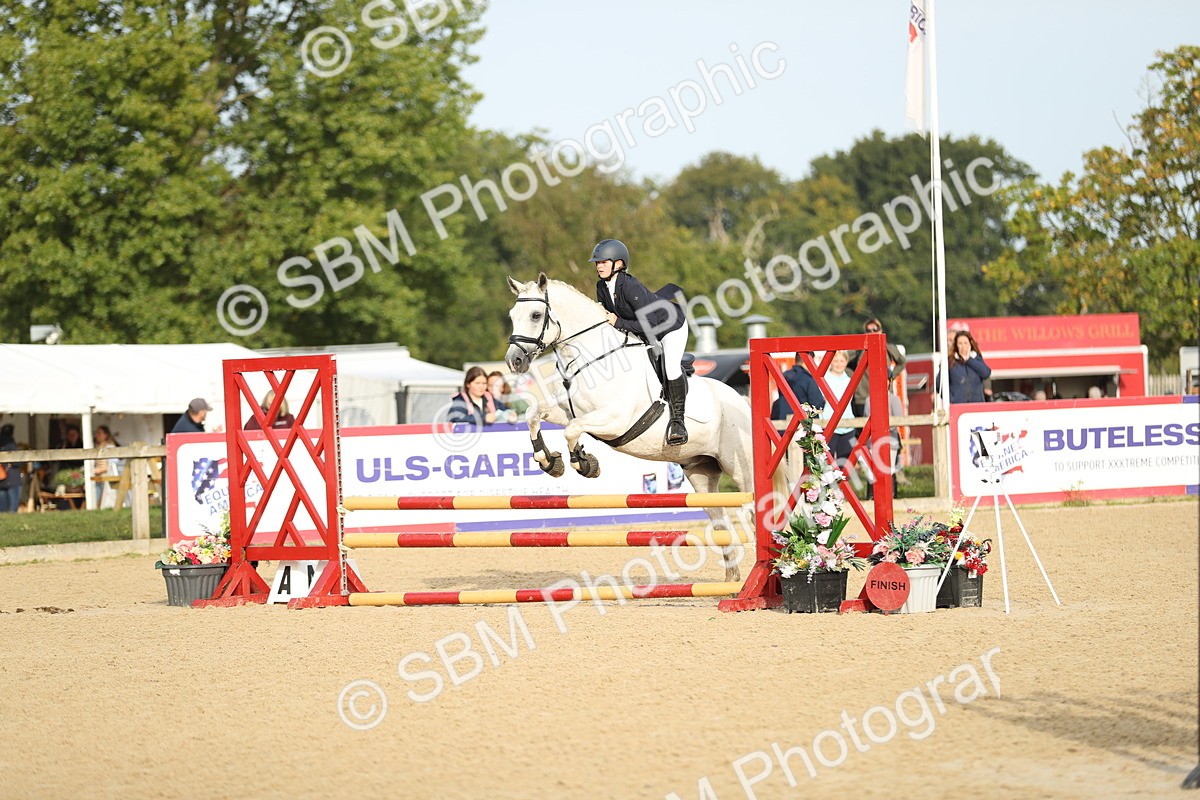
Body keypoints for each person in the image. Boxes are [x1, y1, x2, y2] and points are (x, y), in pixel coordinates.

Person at [590, 238, 690, 446]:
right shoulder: (601, 287)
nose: (599, 266)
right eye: (597, 263)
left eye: (603, 262)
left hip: (669, 326)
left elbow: (649, 323)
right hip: (644, 330)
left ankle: (678, 422)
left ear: (618, 264)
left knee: (671, 367)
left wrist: (618, 322)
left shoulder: (630, 286)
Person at [849, 317, 907, 417]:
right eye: (868, 330)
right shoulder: (859, 350)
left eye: (875, 329)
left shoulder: (888, 348)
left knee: (885, 424)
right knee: (864, 426)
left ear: (881, 330)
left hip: (883, 396)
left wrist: (891, 375)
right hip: (862, 397)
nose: (872, 332)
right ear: (865, 333)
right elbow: (843, 362)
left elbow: (902, 362)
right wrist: (854, 378)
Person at [863, 378, 903, 501]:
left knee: (889, 469)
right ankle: (872, 497)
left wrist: (882, 428)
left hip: (890, 438)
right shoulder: (868, 400)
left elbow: (899, 419)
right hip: (873, 440)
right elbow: (866, 418)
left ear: (889, 382)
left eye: (886, 380)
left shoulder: (894, 399)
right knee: (871, 469)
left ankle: (891, 497)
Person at [818, 350, 857, 461]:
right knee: (826, 461)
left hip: (848, 424)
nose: (838, 364)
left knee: (845, 462)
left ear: (846, 362)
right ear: (830, 362)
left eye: (842, 361)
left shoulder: (850, 380)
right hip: (828, 424)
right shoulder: (823, 380)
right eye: (835, 361)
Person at [770, 353, 827, 420]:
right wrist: (823, 401)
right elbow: (817, 404)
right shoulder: (808, 379)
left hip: (782, 417)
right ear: (808, 361)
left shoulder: (784, 376)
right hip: (804, 421)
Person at [941, 331, 991, 403]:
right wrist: (951, 399)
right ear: (956, 345)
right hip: (958, 405)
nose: (963, 346)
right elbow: (939, 383)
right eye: (960, 343)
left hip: (977, 404)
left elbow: (986, 373)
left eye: (965, 343)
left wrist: (969, 360)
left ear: (970, 344)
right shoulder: (950, 361)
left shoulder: (976, 358)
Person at [92, 425, 122, 509]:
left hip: (106, 477)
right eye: (96, 433)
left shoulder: (110, 447)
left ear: (105, 435)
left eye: (99, 433)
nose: (97, 435)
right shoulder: (97, 447)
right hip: (97, 477)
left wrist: (99, 470)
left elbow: (113, 464)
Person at [0, 424, 21, 513]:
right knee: (13, 509)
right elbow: (17, 462)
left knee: (2, 510)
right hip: (12, 478)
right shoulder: (11, 443)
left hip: (1, 480)